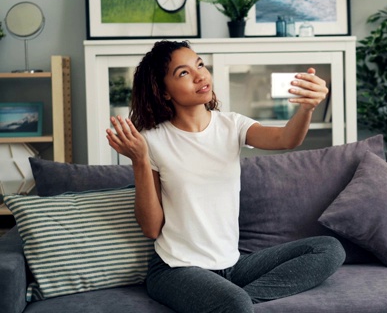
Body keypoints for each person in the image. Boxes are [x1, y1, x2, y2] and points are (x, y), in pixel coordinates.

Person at [105, 40, 345, 313]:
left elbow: (285, 139)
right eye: (183, 73)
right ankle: (233, 304)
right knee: (236, 304)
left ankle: (230, 304)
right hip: (177, 269)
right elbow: (151, 228)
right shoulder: (152, 141)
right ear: (164, 92)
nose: (200, 75)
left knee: (329, 249)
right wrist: (139, 159)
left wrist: (306, 109)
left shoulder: (232, 125)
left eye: (200, 65)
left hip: (232, 265)